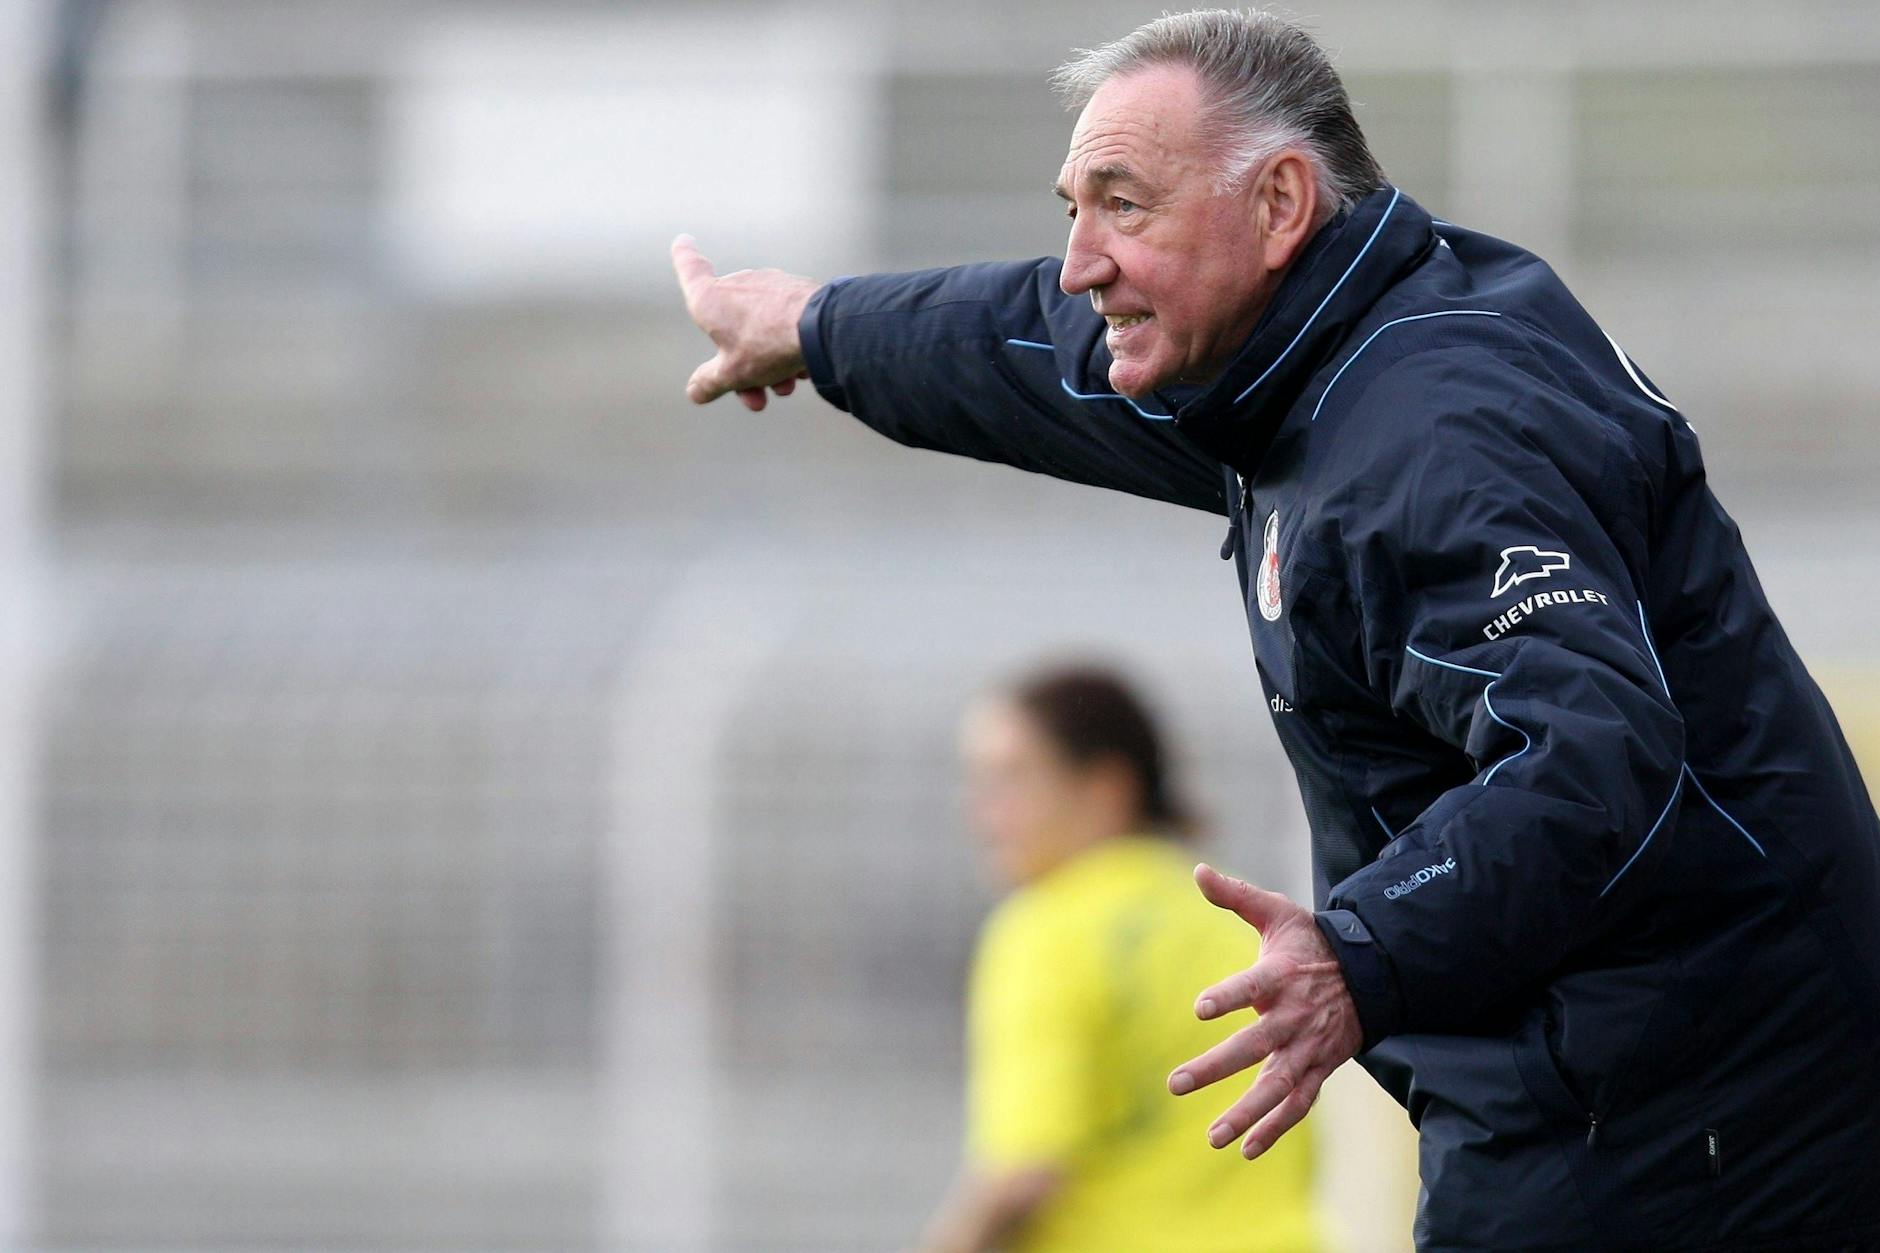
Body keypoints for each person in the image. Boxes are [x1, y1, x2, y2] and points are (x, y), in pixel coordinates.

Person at [670, 8, 1880, 1250]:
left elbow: (1589, 753)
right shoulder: (1310, 351)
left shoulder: (1425, 431)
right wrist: (820, 328)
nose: (1083, 258)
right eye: (1070, 207)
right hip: (1630, 1075)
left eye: (1122, 205)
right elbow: (1044, 350)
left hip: (1695, 1108)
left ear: (1279, 203)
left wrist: (1359, 952)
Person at [915, 664, 1322, 1253]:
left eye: (1011, 779)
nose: (981, 815)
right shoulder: (1239, 920)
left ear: (1106, 789)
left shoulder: (1048, 928)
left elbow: (1023, 1172)